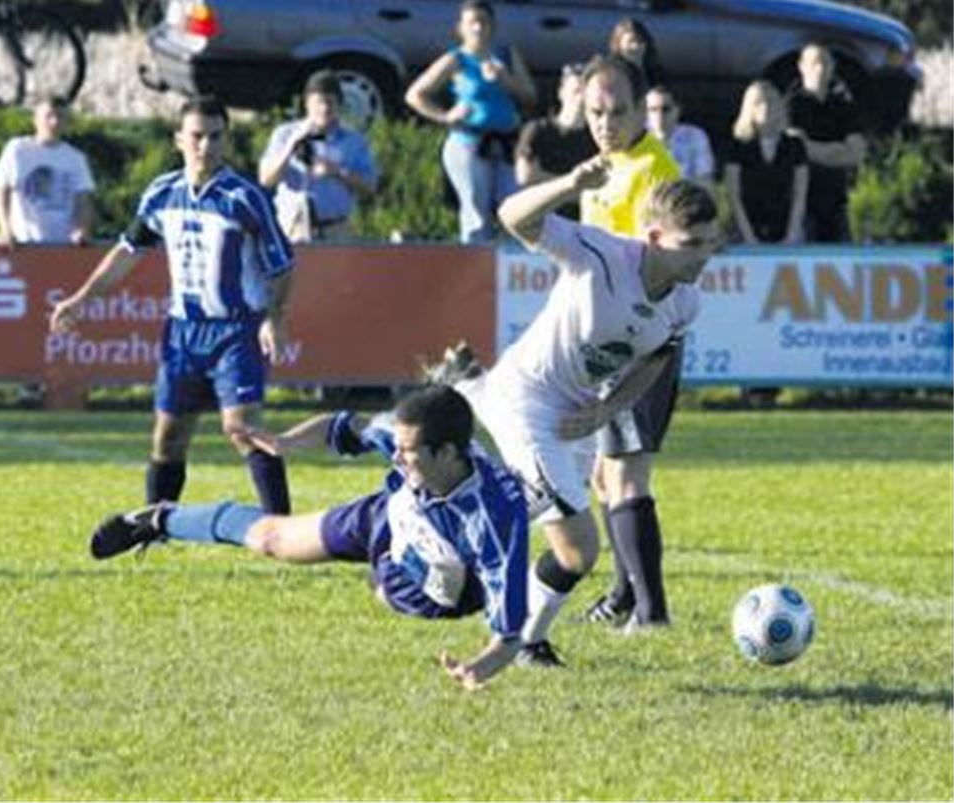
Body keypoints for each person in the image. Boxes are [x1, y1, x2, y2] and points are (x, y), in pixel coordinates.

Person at [437, 175, 720, 666]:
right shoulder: (602, 255)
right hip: (530, 404)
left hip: (575, 418)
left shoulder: (685, 301)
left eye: (711, 243)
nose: (704, 256)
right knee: (579, 549)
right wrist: (571, 183)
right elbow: (512, 216)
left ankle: (468, 392)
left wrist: (609, 409)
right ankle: (515, 634)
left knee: (553, 537)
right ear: (654, 238)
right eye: (691, 244)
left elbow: (654, 361)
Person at [88, 385, 530, 691]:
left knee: (409, 589)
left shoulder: (495, 519)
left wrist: (479, 667)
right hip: (388, 516)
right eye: (396, 447)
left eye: (409, 453)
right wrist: (285, 442)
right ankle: (159, 519)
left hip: (444, 578)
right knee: (272, 539)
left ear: (449, 453)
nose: (396, 456)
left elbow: (508, 631)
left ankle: (382, 582)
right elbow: (343, 425)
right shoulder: (409, 439)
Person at [50, 95, 295, 513]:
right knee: (168, 436)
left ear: (226, 140)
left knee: (242, 427)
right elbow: (127, 252)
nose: (206, 146)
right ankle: (153, 525)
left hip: (236, 330)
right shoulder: (162, 195)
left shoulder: (245, 197)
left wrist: (273, 318)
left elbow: (283, 266)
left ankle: (282, 526)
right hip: (183, 333)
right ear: (178, 139)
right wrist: (81, 298)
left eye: (216, 136)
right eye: (197, 136)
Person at [574, 55, 687, 634]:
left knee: (627, 477)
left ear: (641, 107)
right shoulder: (603, 166)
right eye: (595, 110)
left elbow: (663, 259)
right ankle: (624, 594)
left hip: (641, 340)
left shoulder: (653, 170)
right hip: (610, 341)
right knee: (603, 476)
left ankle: (652, 613)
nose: (605, 121)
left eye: (617, 110)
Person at [405, 0, 536, 244]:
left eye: (484, 22)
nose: (478, 28)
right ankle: (476, 268)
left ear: (493, 26)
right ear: (461, 28)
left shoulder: (506, 55)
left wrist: (505, 79)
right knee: (476, 211)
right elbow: (415, 95)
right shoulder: (456, 60)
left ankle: (509, 264)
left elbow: (530, 95)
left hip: (506, 142)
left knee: (514, 207)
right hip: (469, 142)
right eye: (472, 22)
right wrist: (445, 116)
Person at [259, 69, 378, 243]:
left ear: (340, 105)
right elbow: (266, 179)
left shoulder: (354, 141)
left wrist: (338, 172)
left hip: (336, 230)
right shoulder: (284, 134)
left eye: (330, 103)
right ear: (307, 104)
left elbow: (370, 187)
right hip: (292, 227)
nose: (324, 109)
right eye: (319, 102)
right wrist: (290, 147)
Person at [785, 43, 867, 243]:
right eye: (814, 63)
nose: (820, 69)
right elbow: (797, 150)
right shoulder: (791, 104)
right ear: (801, 66)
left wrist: (813, 149)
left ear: (833, 67)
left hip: (837, 203)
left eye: (825, 63)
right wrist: (837, 152)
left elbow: (855, 154)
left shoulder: (844, 105)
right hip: (802, 204)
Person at [0, 96, 95, 249]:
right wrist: (5, 229)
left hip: (62, 247)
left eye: (60, 117)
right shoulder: (17, 150)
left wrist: (81, 230)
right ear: (36, 119)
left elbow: (83, 201)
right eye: (49, 116)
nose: (54, 122)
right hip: (21, 244)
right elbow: (2, 192)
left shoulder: (75, 159)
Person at [725, 80, 808, 246]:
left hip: (787, 227)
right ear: (749, 108)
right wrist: (749, 238)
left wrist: (791, 235)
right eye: (758, 103)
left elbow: (800, 193)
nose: (766, 107)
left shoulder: (795, 145)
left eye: (771, 101)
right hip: (746, 229)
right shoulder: (737, 146)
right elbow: (734, 195)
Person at [514, 62, 596, 219]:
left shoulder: (596, 137)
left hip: (583, 223)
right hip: (542, 220)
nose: (580, 97)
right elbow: (525, 177)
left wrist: (547, 182)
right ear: (561, 92)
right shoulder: (537, 130)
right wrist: (575, 186)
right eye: (576, 90)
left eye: (586, 92)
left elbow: (599, 190)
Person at [645, 85, 715, 192]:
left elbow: (704, 181)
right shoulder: (635, 136)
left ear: (677, 110)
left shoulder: (695, 136)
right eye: (653, 110)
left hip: (684, 202)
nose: (659, 115)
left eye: (665, 109)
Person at [608, 18, 662, 89]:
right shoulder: (611, 73)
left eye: (640, 41)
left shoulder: (654, 74)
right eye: (630, 41)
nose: (636, 46)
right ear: (619, 44)